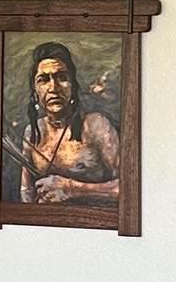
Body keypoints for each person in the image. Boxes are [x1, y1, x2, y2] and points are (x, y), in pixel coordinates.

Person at [12, 41, 120, 207]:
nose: (54, 88)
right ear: (35, 91)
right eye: (43, 80)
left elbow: (126, 187)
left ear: (73, 86)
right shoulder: (33, 131)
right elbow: (27, 192)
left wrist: (72, 188)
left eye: (62, 78)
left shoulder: (96, 126)